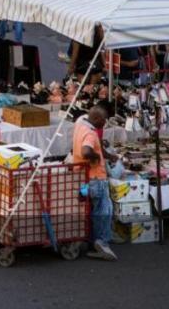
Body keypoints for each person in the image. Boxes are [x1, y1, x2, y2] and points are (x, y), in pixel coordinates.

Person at [72, 105, 117, 261]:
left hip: (83, 178)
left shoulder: (80, 126)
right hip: (96, 179)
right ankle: (102, 242)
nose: (105, 124)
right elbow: (86, 151)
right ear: (97, 119)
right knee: (104, 209)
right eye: (104, 121)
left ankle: (92, 240)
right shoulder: (90, 133)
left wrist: (106, 156)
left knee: (90, 209)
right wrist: (96, 158)